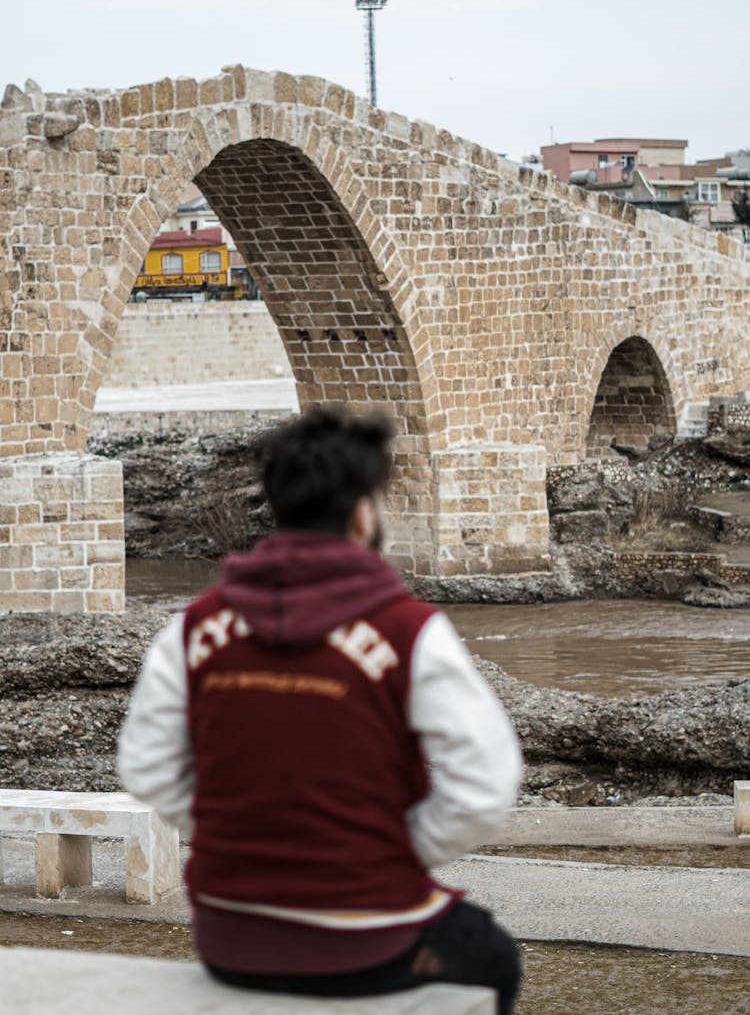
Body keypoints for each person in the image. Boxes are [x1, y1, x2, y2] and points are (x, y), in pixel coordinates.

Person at [118, 407, 524, 1012]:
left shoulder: (194, 627)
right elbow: (486, 787)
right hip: (365, 942)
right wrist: (395, 851)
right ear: (364, 512)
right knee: (494, 957)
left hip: (231, 937)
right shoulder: (408, 631)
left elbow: (145, 766)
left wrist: (233, 834)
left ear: (278, 507)